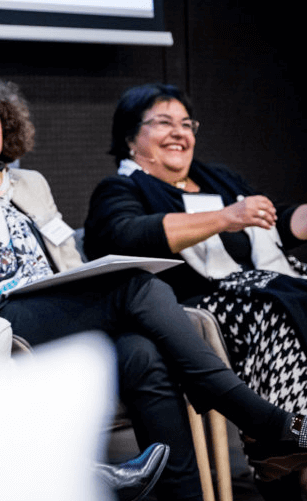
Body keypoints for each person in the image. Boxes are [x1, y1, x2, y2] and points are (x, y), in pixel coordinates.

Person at [0, 65, 307, 500]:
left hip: (52, 308)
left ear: (5, 127)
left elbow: (67, 259)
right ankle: (259, 419)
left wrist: (89, 282)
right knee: (136, 287)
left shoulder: (29, 184)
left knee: (142, 352)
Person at [85, 83, 307, 494]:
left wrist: (297, 218)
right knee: (275, 306)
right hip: (195, 308)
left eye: (186, 123)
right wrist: (225, 216)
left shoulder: (218, 178)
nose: (178, 132)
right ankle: (288, 435)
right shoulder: (121, 189)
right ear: (131, 137)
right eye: (163, 122)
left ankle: (292, 437)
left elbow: (268, 225)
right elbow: (126, 236)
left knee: (289, 293)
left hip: (264, 286)